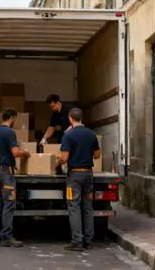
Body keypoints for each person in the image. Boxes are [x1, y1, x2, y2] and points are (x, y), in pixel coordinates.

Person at [57, 108, 101, 252]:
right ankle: (88, 240)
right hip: (88, 174)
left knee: (74, 207)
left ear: (70, 119)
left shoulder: (68, 135)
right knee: (87, 207)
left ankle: (77, 241)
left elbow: (64, 158)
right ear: (81, 118)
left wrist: (57, 162)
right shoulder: (91, 134)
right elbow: (97, 155)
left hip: (74, 176)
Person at [0, 108, 31, 248]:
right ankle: (7, 237)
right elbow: (15, 152)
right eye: (15, 119)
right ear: (12, 118)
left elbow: (0, 152)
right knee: (9, 204)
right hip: (5, 173)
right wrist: (25, 153)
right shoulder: (10, 133)